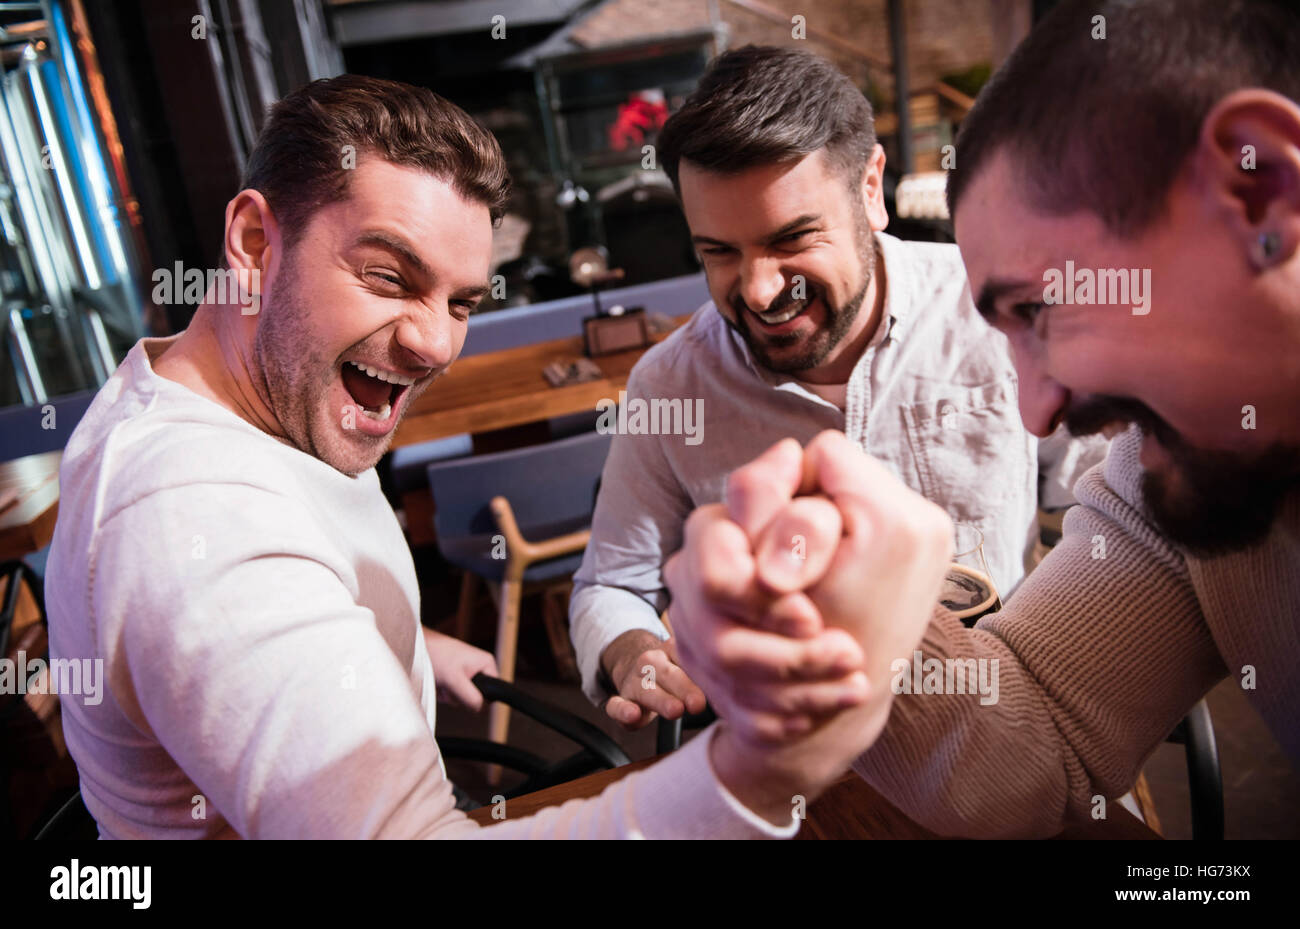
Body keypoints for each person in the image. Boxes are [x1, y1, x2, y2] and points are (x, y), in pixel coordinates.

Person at [43, 75, 953, 838]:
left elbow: (252, 616)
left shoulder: (194, 399)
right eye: (388, 276)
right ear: (252, 244)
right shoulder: (196, 522)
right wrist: (763, 767)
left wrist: (389, 636)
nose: (437, 343)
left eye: (463, 300)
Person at [666, 0, 1300, 837]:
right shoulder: (1179, 474)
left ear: (1259, 190)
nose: (1038, 410)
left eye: (1044, 309)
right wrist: (844, 629)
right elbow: (1043, 750)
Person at [568, 45, 1107, 730]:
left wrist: (1053, 655)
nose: (760, 291)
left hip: (1000, 717)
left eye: (793, 238)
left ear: (871, 188)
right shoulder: (670, 385)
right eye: (720, 253)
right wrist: (636, 655)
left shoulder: (993, 315)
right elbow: (610, 584)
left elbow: (1111, 515)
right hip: (794, 758)